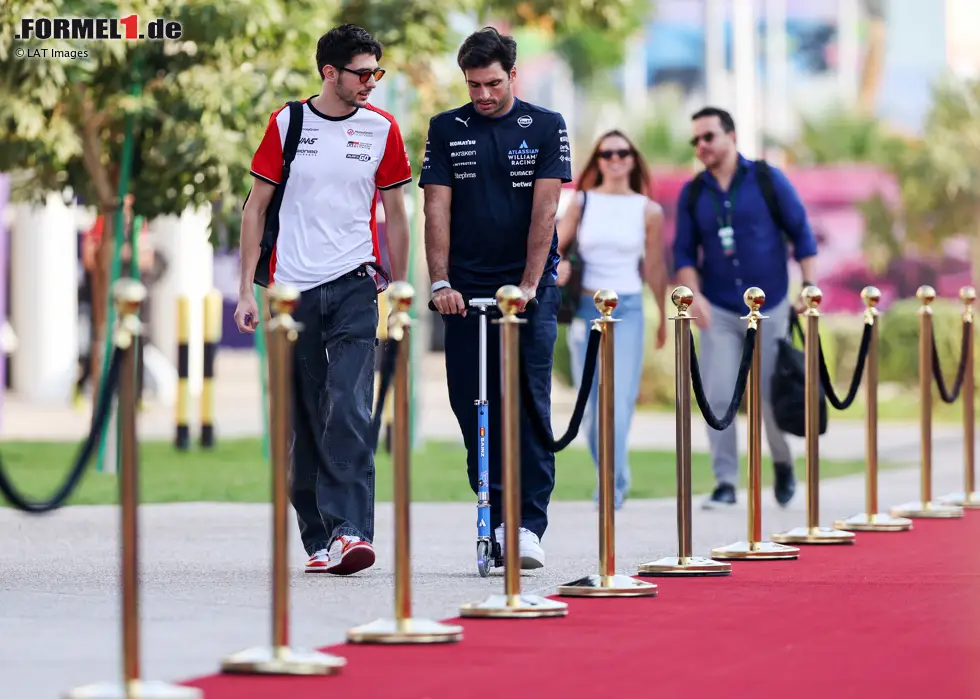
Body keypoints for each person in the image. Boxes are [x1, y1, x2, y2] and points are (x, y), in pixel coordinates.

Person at [235, 24, 412, 575]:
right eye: (362, 73)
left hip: (357, 283)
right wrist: (245, 290)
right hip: (292, 293)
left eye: (377, 72)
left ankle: (350, 532)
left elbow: (397, 214)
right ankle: (317, 536)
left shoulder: (383, 129)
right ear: (329, 72)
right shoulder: (287, 123)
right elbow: (255, 209)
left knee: (351, 405)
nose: (372, 82)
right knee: (305, 420)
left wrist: (401, 288)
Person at [420, 27, 571, 569]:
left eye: (492, 83)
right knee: (473, 405)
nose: (483, 94)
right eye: (473, 85)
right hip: (465, 292)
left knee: (528, 406)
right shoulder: (446, 128)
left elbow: (546, 210)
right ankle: (497, 514)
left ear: (513, 75)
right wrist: (441, 282)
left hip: (528, 291)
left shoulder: (546, 125)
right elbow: (436, 208)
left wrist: (529, 286)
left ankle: (528, 524)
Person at [672, 106, 818, 509]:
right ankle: (725, 482)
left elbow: (801, 233)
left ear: (731, 136)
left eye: (708, 137)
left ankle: (783, 463)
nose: (701, 146)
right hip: (717, 309)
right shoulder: (693, 192)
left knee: (770, 397)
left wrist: (808, 286)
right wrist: (695, 295)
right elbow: (683, 253)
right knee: (718, 395)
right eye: (696, 140)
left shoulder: (768, 179)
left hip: (770, 305)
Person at [555, 129, 668, 510]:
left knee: (618, 401)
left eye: (623, 152)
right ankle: (613, 473)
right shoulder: (582, 201)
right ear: (598, 161)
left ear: (633, 159)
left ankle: (611, 482)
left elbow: (654, 266)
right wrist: (557, 269)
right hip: (586, 309)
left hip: (628, 309)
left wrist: (663, 316)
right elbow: (552, 247)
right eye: (607, 154)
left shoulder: (648, 210)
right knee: (590, 407)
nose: (615, 159)